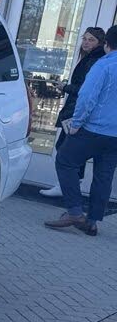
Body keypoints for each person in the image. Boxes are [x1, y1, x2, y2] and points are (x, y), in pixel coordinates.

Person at [45, 25, 117, 236]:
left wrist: (76, 123)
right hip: (115, 136)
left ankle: (75, 212)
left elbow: (87, 97)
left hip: (93, 129)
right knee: (104, 175)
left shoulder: (104, 66)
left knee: (65, 160)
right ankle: (92, 222)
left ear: (106, 44)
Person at [40, 27, 107, 196]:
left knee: (66, 148)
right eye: (84, 38)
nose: (86, 42)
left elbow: (86, 89)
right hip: (76, 108)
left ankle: (66, 187)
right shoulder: (90, 58)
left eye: (91, 40)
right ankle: (69, 186)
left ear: (100, 42)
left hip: (78, 110)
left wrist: (66, 87)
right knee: (69, 148)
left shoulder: (95, 60)